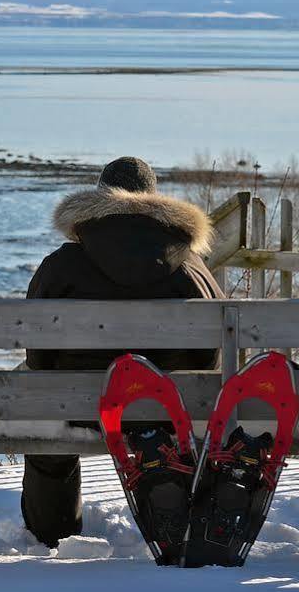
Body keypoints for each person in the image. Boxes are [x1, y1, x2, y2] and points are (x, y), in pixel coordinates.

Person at [21, 156, 224, 548]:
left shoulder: (62, 264)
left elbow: (38, 353)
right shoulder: (190, 266)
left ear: (98, 201)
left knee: (48, 438)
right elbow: (210, 356)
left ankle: (51, 535)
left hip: (80, 408)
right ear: (155, 202)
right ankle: (175, 517)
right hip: (170, 409)